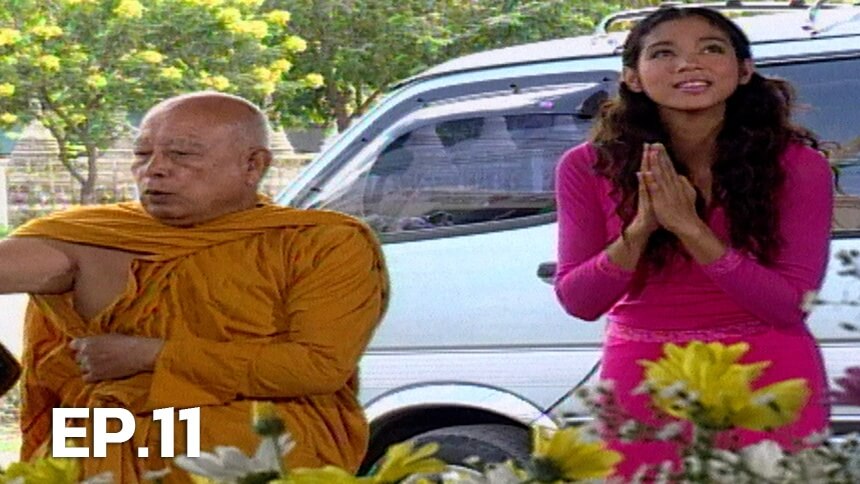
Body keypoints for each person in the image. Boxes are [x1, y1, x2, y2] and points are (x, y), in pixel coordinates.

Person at [1, 92, 388, 483]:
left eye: (182, 154)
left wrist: (153, 355)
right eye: (142, 154)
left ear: (253, 164)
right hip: (104, 447)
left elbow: (317, 367)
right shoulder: (91, 236)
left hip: (250, 458)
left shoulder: (320, 243)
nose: (154, 170)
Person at [553, 7, 832, 478]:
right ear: (633, 78)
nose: (688, 64)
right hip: (643, 379)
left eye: (711, 49)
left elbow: (787, 307)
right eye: (664, 53)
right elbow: (579, 301)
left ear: (744, 70)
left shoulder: (798, 166)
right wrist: (641, 228)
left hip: (767, 375)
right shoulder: (586, 166)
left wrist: (691, 229)